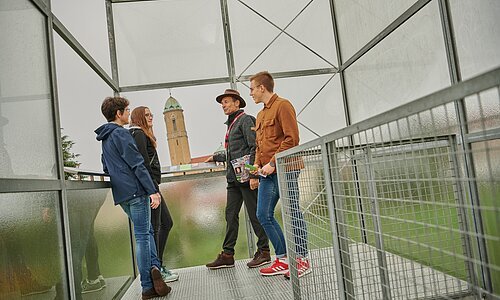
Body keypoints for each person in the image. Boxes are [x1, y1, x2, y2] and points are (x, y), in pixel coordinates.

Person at [95, 96, 171, 299]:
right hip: (137, 192)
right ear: (118, 114)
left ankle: (155, 270)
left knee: (145, 232)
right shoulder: (121, 134)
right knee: (143, 236)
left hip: (122, 194)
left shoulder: (105, 137)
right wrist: (152, 190)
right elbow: (137, 163)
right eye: (126, 111)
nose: (129, 114)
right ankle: (147, 285)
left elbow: (105, 165)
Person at [249, 71, 311, 278]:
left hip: (286, 169)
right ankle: (283, 259)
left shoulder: (283, 105)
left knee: (292, 212)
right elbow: (259, 145)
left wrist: (273, 163)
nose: (251, 94)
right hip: (267, 173)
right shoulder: (260, 114)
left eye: (252, 89)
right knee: (263, 214)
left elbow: (292, 139)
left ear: (262, 88)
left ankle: (302, 260)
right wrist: (257, 166)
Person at [205, 89, 271, 269]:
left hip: (246, 178)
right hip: (233, 180)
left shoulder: (245, 120)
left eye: (226, 101)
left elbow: (253, 148)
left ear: (237, 103)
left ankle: (264, 251)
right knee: (230, 215)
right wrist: (217, 157)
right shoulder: (232, 124)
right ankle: (228, 254)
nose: (223, 105)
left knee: (254, 215)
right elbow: (234, 151)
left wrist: (252, 175)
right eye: (222, 103)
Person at [129, 106, 179, 283]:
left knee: (163, 224)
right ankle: (156, 269)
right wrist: (152, 191)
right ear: (138, 118)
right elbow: (142, 163)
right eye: (147, 115)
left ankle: (157, 266)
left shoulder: (140, 134)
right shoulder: (139, 134)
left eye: (151, 114)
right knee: (159, 226)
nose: (151, 117)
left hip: (152, 188)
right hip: (150, 189)